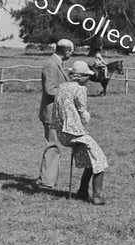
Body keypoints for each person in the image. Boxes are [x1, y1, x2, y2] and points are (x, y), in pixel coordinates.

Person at [52, 61, 108, 206]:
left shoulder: (61, 87)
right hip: (75, 132)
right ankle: (98, 196)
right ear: (82, 77)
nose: (88, 80)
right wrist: (86, 118)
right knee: (100, 160)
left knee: (90, 162)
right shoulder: (80, 89)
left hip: (61, 132)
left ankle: (82, 192)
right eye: (87, 77)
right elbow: (83, 112)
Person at [36, 39, 74, 190]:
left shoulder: (57, 64)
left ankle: (50, 179)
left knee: (56, 146)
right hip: (52, 113)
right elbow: (50, 90)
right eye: (72, 51)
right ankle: (46, 183)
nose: (72, 54)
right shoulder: (51, 65)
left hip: (57, 112)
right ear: (66, 51)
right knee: (53, 146)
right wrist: (70, 91)